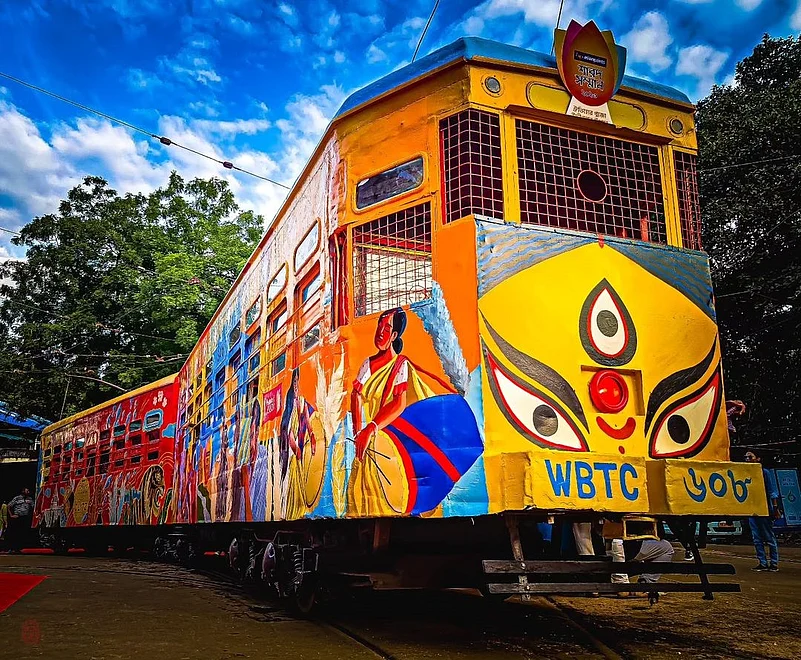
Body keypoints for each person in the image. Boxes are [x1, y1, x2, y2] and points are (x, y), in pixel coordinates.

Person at [745, 450, 781, 571]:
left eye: (750, 457)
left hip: (765, 508)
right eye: (746, 458)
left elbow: (772, 491)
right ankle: (763, 562)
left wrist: (775, 508)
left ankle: (774, 563)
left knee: (768, 536)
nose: (747, 460)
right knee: (756, 538)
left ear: (758, 458)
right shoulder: (746, 473)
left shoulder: (764, 473)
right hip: (752, 509)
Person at [6, 487, 35, 553]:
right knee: (15, 533)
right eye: (27, 490)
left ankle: (19, 548)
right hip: (17, 517)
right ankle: (12, 548)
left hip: (25, 518)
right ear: (23, 491)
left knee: (22, 533)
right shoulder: (17, 498)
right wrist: (11, 515)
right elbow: (9, 506)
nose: (28, 492)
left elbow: (34, 507)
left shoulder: (30, 499)